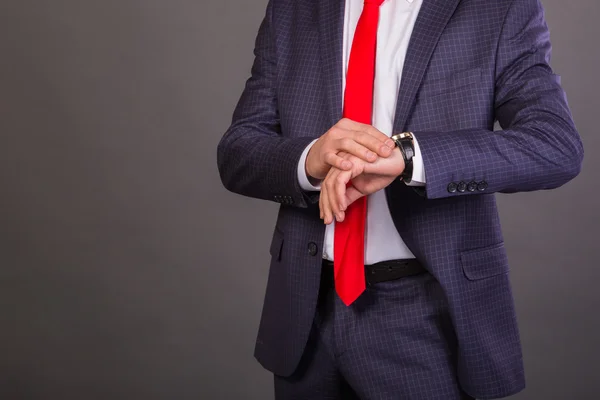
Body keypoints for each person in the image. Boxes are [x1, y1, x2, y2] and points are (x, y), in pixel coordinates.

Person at [217, 0, 583, 398]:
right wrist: (311, 158)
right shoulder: (293, 9)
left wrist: (409, 157)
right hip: (304, 309)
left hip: (426, 312)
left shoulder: (497, 9)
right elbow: (238, 150)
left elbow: (555, 145)